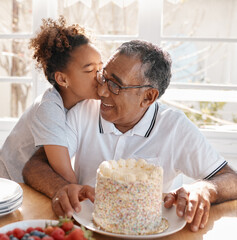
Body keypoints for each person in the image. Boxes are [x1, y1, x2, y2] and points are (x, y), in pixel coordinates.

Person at [23, 40, 237, 232]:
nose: (103, 91)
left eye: (115, 85)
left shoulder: (175, 127)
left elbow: (231, 179)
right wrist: (59, 187)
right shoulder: (84, 111)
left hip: (149, 234)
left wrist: (206, 188)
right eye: (103, 77)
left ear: (148, 97)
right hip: (86, 229)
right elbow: (35, 165)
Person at [0, 16, 102, 183]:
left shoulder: (84, 103)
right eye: (90, 70)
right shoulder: (48, 108)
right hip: (10, 184)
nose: (99, 76)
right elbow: (64, 173)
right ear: (62, 79)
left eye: (100, 67)